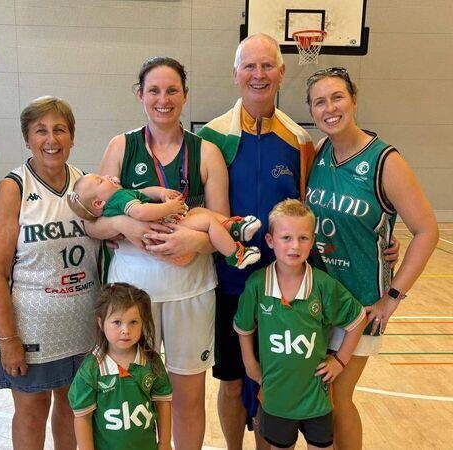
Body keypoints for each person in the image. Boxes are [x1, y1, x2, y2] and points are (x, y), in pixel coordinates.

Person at [85, 56, 228, 449]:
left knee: (187, 396)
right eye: (154, 91)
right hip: (131, 296)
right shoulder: (121, 146)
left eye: (172, 90)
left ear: (185, 95)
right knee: (129, 393)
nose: (163, 99)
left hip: (191, 290)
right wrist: (124, 224)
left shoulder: (207, 152)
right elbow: (91, 221)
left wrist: (195, 241)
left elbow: (224, 221)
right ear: (140, 95)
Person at [304, 67, 439, 450]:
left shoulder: (385, 161)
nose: (329, 108)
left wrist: (392, 297)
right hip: (318, 300)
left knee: (336, 398)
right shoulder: (319, 152)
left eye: (337, 97)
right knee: (319, 400)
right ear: (312, 112)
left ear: (353, 100)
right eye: (319, 102)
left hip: (361, 304)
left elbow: (428, 231)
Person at [195, 33, 316, 450]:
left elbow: (315, 212)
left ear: (281, 73)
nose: (259, 75)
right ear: (235, 74)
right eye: (250, 66)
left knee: (275, 386)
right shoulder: (211, 138)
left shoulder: (300, 141)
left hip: (283, 289)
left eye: (267, 66)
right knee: (230, 383)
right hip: (229, 285)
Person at [0, 96, 103, 449]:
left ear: (72, 136)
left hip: (82, 327)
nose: (51, 139)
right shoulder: (14, 188)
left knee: (72, 408)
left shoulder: (86, 184)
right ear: (27, 138)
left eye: (59, 130)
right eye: (41, 131)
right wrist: (7, 339)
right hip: (31, 328)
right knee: (32, 410)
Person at [235, 200, 366, 450]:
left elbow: (358, 319)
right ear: (270, 241)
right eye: (286, 237)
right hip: (276, 399)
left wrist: (340, 361)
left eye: (303, 238)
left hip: (315, 399)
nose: (295, 245)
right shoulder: (257, 285)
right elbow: (243, 327)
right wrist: (250, 364)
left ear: (312, 240)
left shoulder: (323, 285)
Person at [68, 173, 261, 269]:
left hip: (168, 227)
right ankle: (236, 255)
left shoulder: (120, 195)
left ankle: (234, 227)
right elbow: (141, 212)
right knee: (206, 221)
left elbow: (143, 193)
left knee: (200, 212)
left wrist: (161, 192)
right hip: (167, 230)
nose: (106, 177)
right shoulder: (120, 201)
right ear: (98, 202)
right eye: (101, 181)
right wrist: (167, 207)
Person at [69, 283, 173, 450]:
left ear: (143, 323)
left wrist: (165, 443)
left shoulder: (152, 361)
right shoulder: (91, 370)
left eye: (133, 322)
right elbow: (82, 417)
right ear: (101, 323)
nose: (126, 330)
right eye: (117, 322)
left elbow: (163, 404)